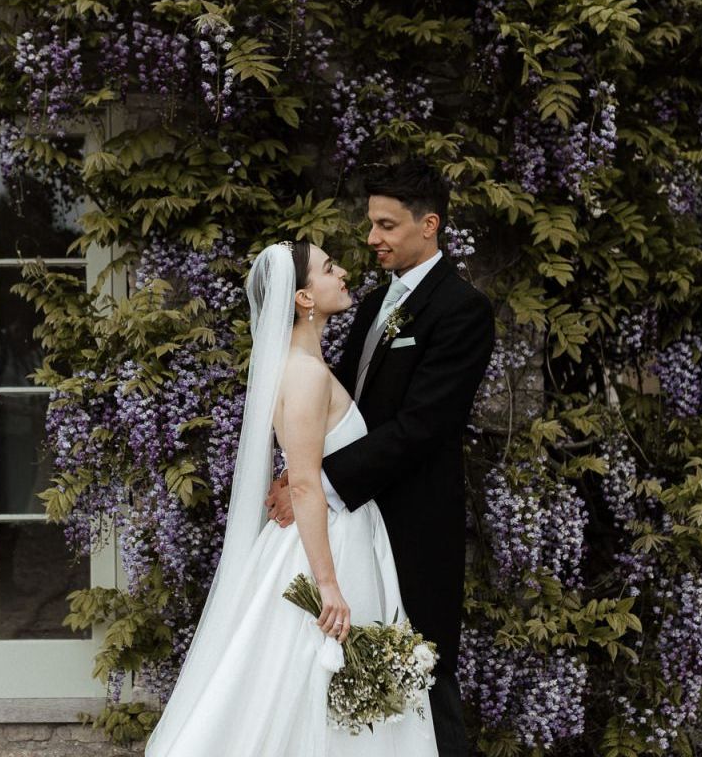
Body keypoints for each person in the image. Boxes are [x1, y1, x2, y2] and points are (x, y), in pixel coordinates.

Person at [145, 240, 438, 757]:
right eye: (329, 268)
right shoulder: (304, 374)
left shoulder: (304, 365)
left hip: (337, 533)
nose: (342, 273)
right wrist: (328, 585)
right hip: (326, 547)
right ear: (304, 297)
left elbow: (306, 467)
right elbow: (304, 484)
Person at [267, 159, 496, 756]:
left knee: (425, 678)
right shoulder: (372, 305)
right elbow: (337, 406)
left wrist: (319, 482)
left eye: (386, 225)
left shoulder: (463, 310)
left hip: (413, 523)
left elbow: (422, 427)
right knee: (345, 689)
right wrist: (298, 473)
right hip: (352, 528)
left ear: (429, 225)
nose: (372, 238)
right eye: (371, 223)